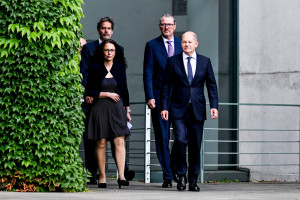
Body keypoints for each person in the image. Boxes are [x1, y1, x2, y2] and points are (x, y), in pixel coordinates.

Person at [160, 31, 219, 192]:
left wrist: (214, 106)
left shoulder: (205, 62)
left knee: (195, 146)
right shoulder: (173, 62)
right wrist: (164, 107)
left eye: (189, 42)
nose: (186, 44)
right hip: (178, 109)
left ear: (196, 44)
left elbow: (211, 85)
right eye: (184, 42)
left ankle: (193, 180)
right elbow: (165, 87)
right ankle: (181, 175)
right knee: (180, 141)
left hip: (197, 109)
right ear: (181, 44)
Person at [80, 17, 135, 184]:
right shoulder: (89, 49)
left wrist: (127, 108)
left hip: (116, 104)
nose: (106, 31)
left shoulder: (119, 52)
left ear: (112, 30)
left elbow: (122, 83)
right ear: (98, 30)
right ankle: (94, 174)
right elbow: (84, 73)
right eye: (103, 28)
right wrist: (90, 93)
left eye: (109, 28)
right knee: (96, 140)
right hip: (94, 101)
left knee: (118, 139)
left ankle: (122, 173)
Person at [143, 14, 182, 188]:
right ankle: (168, 176)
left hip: (180, 99)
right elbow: (148, 73)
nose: (166, 27)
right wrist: (150, 96)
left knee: (181, 138)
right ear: (160, 26)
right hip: (159, 99)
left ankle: (174, 167)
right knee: (162, 137)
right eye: (163, 24)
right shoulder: (152, 45)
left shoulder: (183, 43)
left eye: (169, 24)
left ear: (175, 26)